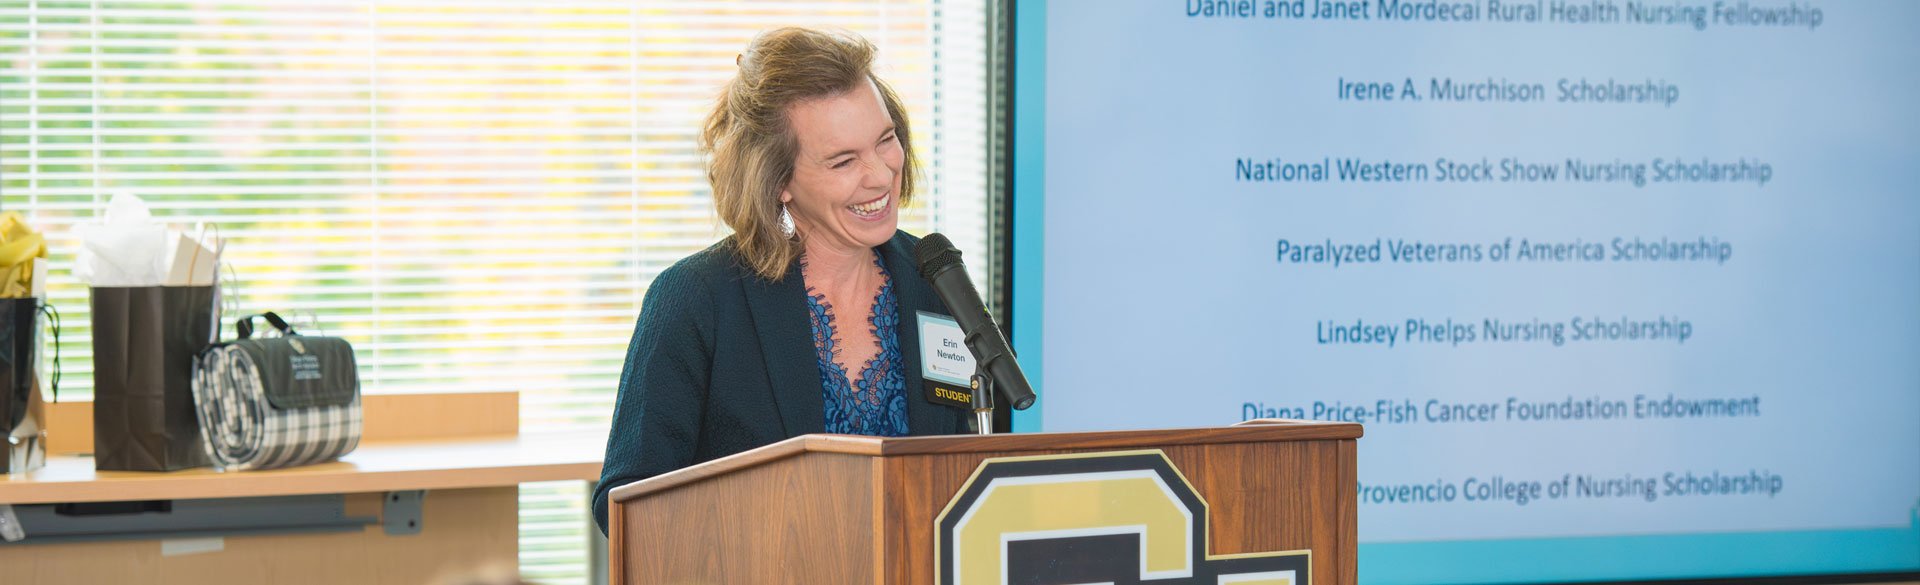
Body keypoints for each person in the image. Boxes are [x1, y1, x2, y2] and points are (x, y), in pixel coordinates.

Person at [592, 27, 970, 533]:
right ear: (779, 181)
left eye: (886, 141)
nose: (881, 174)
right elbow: (625, 506)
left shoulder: (935, 279)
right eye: (843, 160)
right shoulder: (696, 299)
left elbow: (972, 465)